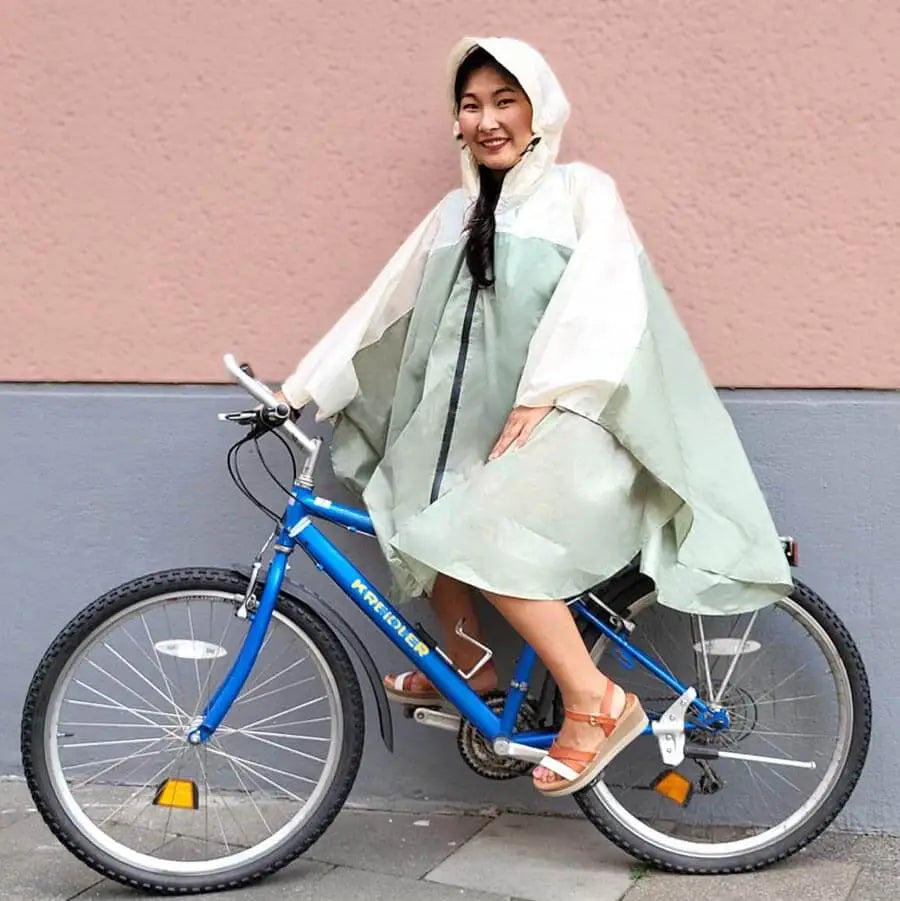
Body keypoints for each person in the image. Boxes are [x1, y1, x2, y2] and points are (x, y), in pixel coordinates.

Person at [277, 37, 792, 796]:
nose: (486, 120)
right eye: (471, 104)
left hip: (577, 417)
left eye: (504, 101)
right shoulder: (455, 213)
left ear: (538, 108)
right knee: (415, 500)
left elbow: (605, 305)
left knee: (476, 527)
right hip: (484, 431)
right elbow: (381, 307)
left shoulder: (582, 194)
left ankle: (595, 699)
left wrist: (543, 392)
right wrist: (300, 389)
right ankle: (471, 666)